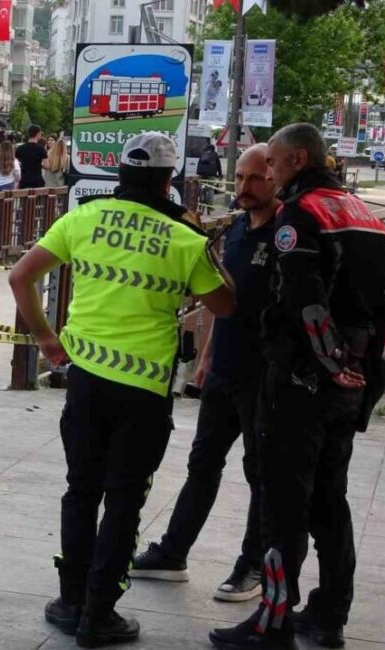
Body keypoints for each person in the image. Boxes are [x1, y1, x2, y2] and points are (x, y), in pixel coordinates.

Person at [9, 132, 236, 648]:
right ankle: (98, 614)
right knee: (125, 500)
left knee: (81, 489)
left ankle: (69, 601)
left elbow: (21, 277)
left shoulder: (83, 219)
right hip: (143, 392)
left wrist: (47, 339)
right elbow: (226, 306)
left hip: (86, 381)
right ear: (168, 179)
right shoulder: (183, 238)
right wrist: (201, 243)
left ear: (120, 175)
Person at [210, 124, 385, 650]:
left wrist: (329, 362)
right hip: (351, 380)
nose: (267, 171)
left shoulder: (302, 213)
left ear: (296, 158)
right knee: (330, 500)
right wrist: (361, 371)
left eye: (272, 162)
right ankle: (330, 614)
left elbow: (304, 299)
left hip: (302, 379)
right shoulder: (362, 214)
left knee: (282, 501)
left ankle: (273, 621)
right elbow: (381, 307)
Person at [130, 144, 279, 602]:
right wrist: (206, 360)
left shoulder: (288, 235)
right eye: (238, 179)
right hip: (224, 371)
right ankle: (173, 552)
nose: (244, 188)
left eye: (255, 179)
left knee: (261, 474)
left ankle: (252, 565)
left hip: (266, 376)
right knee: (202, 465)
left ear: (274, 178)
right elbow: (218, 304)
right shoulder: (234, 231)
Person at [15, 124, 48, 189]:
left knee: (24, 199)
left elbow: (15, 163)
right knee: (38, 199)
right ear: (38, 134)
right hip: (37, 181)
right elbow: (47, 165)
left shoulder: (20, 148)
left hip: (24, 181)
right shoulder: (41, 149)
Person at [197, 144, 223, 215]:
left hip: (201, 173)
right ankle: (210, 206)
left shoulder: (202, 154)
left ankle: (199, 201)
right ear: (213, 149)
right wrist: (220, 175)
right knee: (211, 189)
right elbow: (218, 166)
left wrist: (198, 173)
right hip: (211, 174)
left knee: (200, 186)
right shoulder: (215, 155)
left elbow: (198, 164)